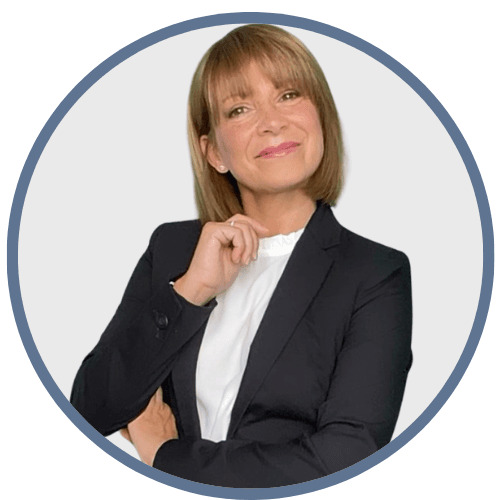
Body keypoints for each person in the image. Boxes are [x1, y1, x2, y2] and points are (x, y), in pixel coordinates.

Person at [71, 24, 412, 488]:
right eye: (239, 109)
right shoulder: (172, 249)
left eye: (289, 95)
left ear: (321, 117)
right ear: (214, 152)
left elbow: (347, 458)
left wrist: (165, 457)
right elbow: (89, 412)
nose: (272, 121)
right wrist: (191, 291)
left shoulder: (374, 273)